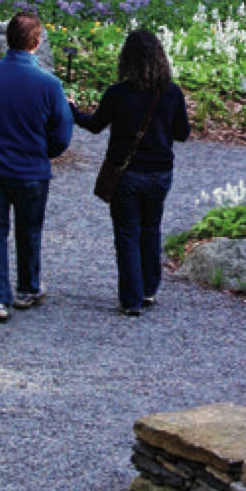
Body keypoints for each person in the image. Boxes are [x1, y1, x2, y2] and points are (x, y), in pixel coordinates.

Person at [0, 12, 74, 322]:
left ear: (7, 40)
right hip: (31, 169)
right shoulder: (49, 84)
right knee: (29, 231)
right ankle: (27, 288)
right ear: (36, 43)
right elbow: (62, 132)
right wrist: (46, 152)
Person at [71, 30, 190, 316]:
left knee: (126, 234)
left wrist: (72, 110)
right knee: (151, 229)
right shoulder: (172, 93)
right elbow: (182, 134)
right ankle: (149, 288)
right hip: (160, 172)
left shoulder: (118, 93)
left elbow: (96, 125)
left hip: (126, 173)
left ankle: (131, 298)